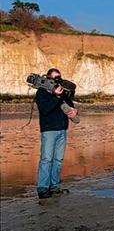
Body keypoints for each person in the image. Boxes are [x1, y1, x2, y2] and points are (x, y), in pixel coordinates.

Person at [35, 68, 78, 199]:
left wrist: (74, 111)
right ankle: (42, 188)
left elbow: (70, 105)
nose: (57, 80)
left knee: (58, 160)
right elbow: (45, 110)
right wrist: (56, 96)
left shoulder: (62, 91)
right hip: (49, 130)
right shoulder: (42, 92)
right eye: (54, 78)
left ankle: (54, 186)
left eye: (59, 77)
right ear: (48, 78)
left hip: (62, 129)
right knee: (46, 159)